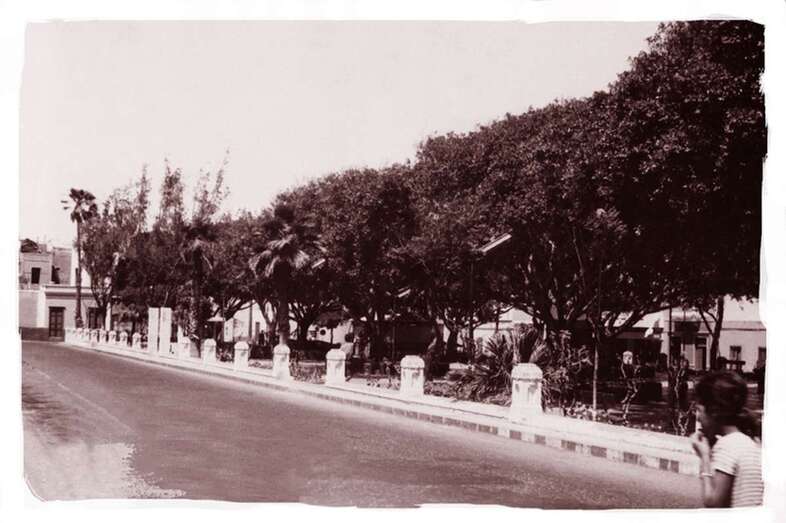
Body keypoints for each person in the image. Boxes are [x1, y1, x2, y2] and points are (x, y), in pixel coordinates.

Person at [690, 371, 763, 508]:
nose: (698, 418)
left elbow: (713, 503)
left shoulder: (727, 446)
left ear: (714, 412)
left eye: (699, 410)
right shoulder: (749, 441)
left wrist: (704, 457)